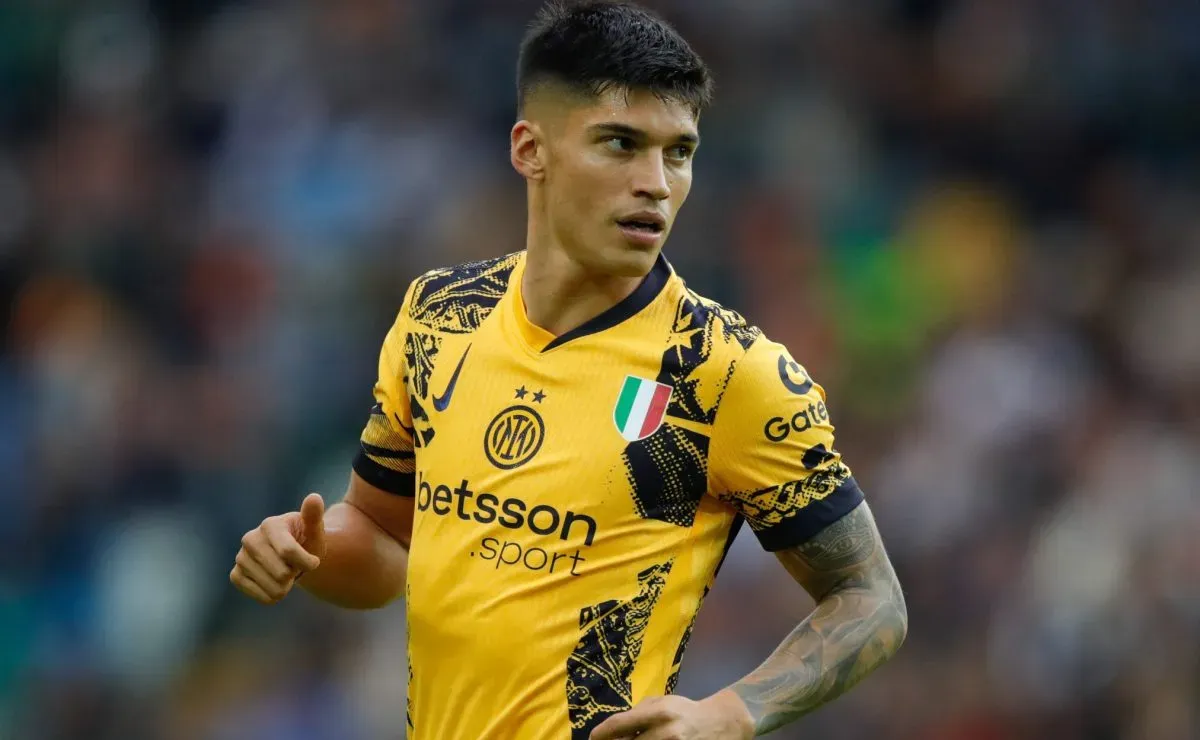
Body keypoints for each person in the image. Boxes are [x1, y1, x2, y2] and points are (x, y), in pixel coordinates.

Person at [229, 1, 907, 737]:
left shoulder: (724, 372)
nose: (656, 182)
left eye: (678, 152)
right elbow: (387, 540)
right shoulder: (441, 316)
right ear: (531, 150)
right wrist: (312, 550)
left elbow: (871, 598)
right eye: (621, 144)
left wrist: (733, 713)